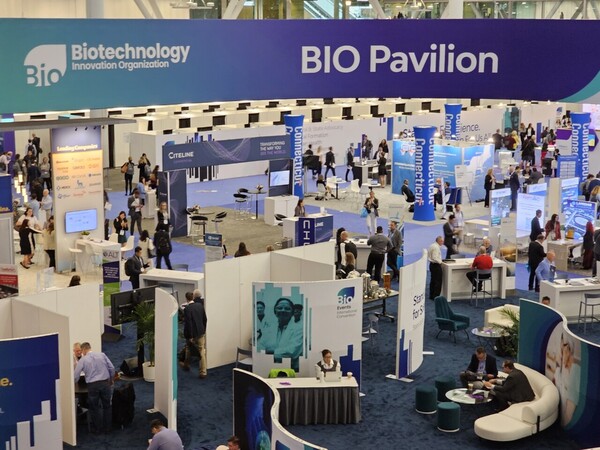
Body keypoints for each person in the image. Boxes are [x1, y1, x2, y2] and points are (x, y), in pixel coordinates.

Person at [73, 342, 115, 434]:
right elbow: (112, 368)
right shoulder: (102, 355)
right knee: (107, 406)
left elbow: (76, 376)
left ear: (84, 350)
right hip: (105, 383)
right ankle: (108, 428)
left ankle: (98, 429)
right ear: (90, 348)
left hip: (92, 386)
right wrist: (111, 379)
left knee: (94, 407)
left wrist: (73, 384)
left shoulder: (83, 360)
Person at [257, 297, 303, 363]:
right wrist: (278, 352)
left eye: (287, 308)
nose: (283, 310)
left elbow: (292, 352)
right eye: (279, 308)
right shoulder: (269, 328)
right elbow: (260, 346)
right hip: (268, 364)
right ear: (275, 311)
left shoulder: (299, 329)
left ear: (292, 312)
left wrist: (269, 351)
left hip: (290, 367)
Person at [182, 288, 208, 378]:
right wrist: (203, 330)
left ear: (186, 299)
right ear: (193, 297)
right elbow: (205, 319)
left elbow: (189, 324)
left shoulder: (187, 309)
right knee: (202, 351)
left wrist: (191, 336)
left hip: (192, 334)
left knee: (188, 349)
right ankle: (203, 372)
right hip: (201, 332)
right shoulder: (200, 306)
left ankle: (186, 365)